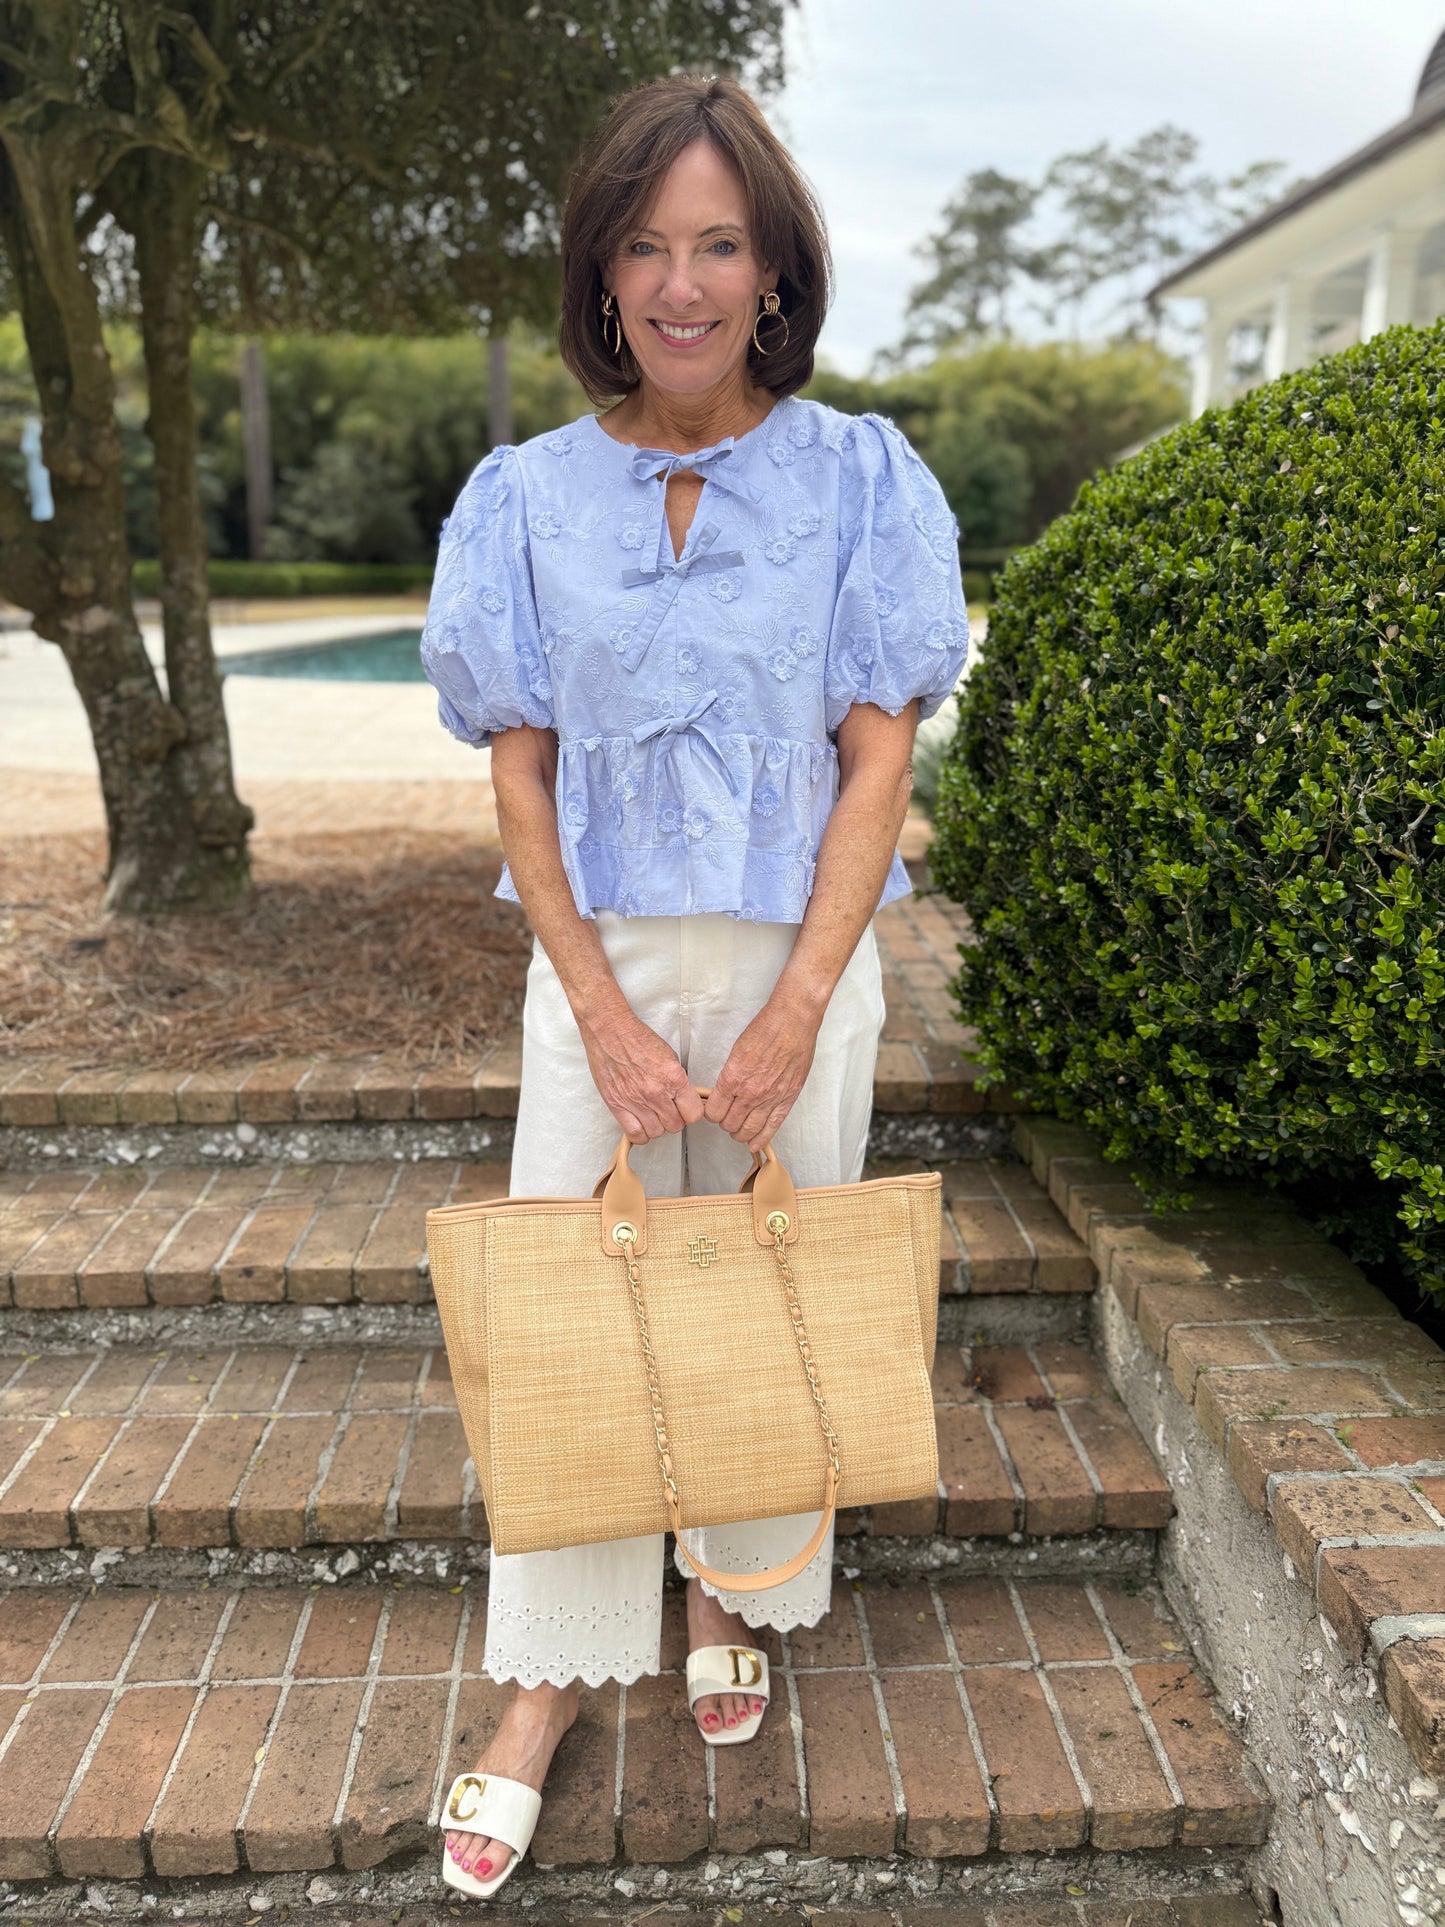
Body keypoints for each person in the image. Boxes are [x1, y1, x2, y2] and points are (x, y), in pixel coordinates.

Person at [420, 71, 969, 1900]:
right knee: (571, 1309)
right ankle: (540, 1688)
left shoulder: (860, 480)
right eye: (645, 244)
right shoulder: (519, 500)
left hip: (799, 955)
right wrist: (597, 1007)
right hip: (596, 964)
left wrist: (801, 1005)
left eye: (717, 242)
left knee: (755, 1302)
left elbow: (876, 763)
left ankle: (726, 1586)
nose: (680, 282)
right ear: (599, 272)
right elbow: (517, 773)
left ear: (772, 270)